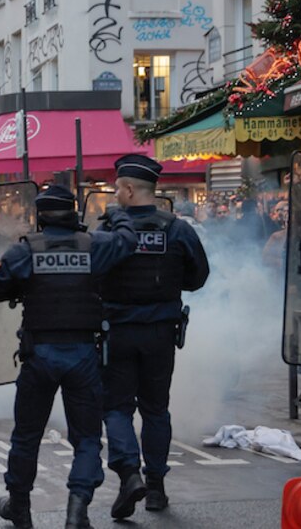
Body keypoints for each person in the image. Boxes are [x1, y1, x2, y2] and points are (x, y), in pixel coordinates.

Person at [0, 184, 137, 529]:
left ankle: (20, 506)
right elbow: (126, 242)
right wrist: (117, 214)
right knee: (86, 437)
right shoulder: (94, 246)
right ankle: (77, 508)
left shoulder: (25, 250)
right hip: (84, 355)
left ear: (39, 216)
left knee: (27, 435)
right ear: (73, 212)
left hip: (39, 355)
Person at [98, 155, 210, 520]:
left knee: (117, 407)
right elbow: (198, 277)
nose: (115, 195)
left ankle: (130, 474)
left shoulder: (110, 229)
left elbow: (92, 275)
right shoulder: (177, 229)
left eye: (117, 188)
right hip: (161, 333)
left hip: (117, 332)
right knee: (156, 409)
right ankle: (157, 488)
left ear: (130, 190)